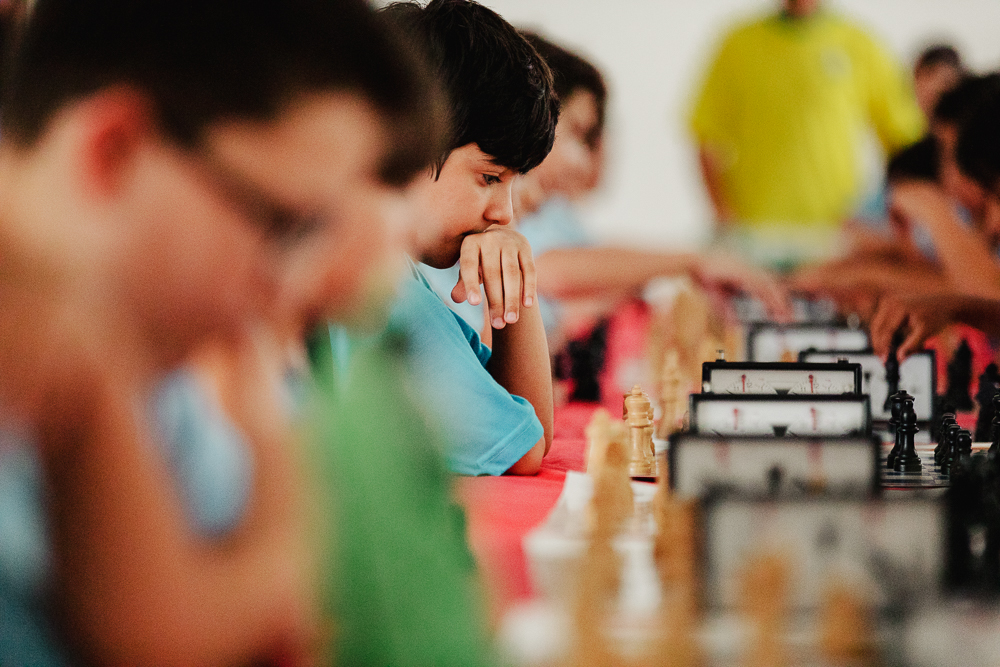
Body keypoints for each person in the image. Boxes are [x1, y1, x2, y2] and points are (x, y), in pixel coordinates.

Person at [0, 0, 441, 664]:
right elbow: (168, 632)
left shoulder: (159, 382)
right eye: (286, 228)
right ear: (112, 149)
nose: (293, 286)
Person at [321, 0, 559, 478]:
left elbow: (519, 431)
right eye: (490, 178)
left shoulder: (401, 273)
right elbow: (524, 450)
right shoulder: (383, 287)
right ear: (416, 137)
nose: (504, 213)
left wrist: (511, 276)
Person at [501, 32, 790, 362]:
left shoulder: (546, 209)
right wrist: (692, 261)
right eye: (578, 133)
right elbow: (550, 272)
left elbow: (578, 281)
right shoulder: (510, 209)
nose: (585, 159)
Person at [689, 0, 925, 268]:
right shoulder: (737, 43)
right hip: (756, 235)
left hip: (837, 236)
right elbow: (706, 136)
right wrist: (725, 218)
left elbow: (904, 143)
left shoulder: (859, 43)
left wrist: (895, 224)